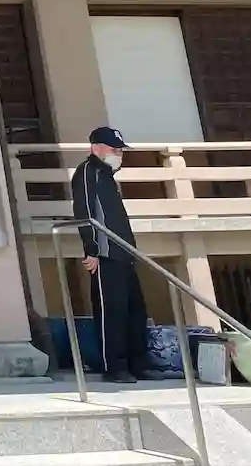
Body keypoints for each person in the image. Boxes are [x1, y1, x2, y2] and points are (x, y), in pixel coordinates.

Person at [71, 125, 163, 383]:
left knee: (135, 311)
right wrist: (91, 249)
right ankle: (114, 367)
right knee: (111, 313)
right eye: (114, 150)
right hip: (104, 254)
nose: (118, 154)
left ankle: (138, 363)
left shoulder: (107, 176)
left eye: (120, 150)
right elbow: (85, 211)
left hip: (124, 252)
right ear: (96, 148)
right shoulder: (87, 172)